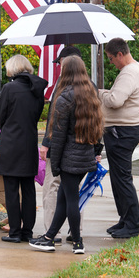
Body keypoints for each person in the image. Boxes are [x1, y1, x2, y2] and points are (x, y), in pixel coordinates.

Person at [30, 55, 103, 255]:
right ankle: (48, 238)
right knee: (63, 198)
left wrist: (55, 164)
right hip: (85, 156)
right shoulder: (91, 94)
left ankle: (78, 242)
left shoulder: (64, 98)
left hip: (69, 158)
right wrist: (96, 152)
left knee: (71, 200)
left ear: (66, 71)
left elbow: (59, 136)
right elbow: (98, 128)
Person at [0, 54, 48, 243]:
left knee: (11, 190)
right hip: (29, 142)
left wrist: (10, 127)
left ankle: (15, 232)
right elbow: (37, 115)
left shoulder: (9, 88)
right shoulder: (37, 89)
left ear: (12, 68)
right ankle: (27, 231)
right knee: (28, 189)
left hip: (11, 143)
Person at [99, 38, 139, 239]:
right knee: (118, 178)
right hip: (123, 131)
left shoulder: (129, 73)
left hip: (122, 132)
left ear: (120, 54)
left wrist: (100, 93)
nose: (111, 63)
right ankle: (126, 219)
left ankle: (134, 224)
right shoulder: (133, 70)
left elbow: (115, 100)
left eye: (111, 58)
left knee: (123, 178)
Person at [40, 46, 84, 242]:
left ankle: (52, 232)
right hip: (82, 149)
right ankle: (75, 232)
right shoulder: (89, 87)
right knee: (75, 192)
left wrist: (46, 143)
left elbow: (55, 121)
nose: (58, 66)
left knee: (52, 187)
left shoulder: (62, 88)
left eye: (60, 63)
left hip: (62, 148)